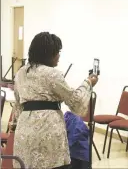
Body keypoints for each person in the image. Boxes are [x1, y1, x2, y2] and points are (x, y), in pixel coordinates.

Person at [9, 32, 99, 169]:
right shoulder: (52, 74)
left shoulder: (21, 73)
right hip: (48, 131)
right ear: (48, 53)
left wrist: (14, 125)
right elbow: (76, 103)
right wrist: (88, 83)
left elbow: (17, 103)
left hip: (24, 129)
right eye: (57, 52)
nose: (59, 55)